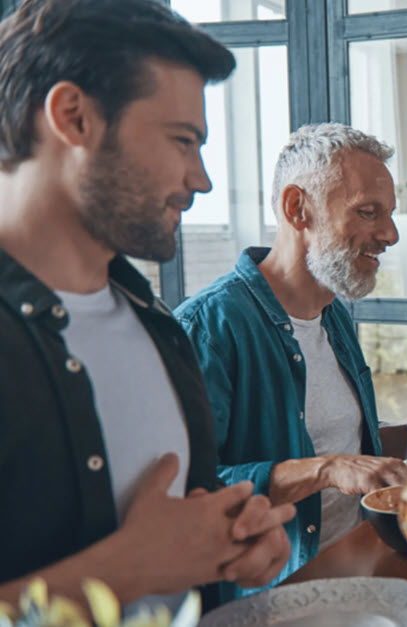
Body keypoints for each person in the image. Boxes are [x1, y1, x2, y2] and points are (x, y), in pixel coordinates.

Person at [0, 0, 293, 613]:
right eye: (183, 141)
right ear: (74, 117)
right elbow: (147, 556)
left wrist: (237, 537)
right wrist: (125, 570)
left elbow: (181, 524)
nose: (202, 178)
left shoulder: (157, 323)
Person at [174, 123, 407, 602]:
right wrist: (325, 470)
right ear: (297, 208)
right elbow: (192, 493)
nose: (389, 235)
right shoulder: (208, 328)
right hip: (281, 597)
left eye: (390, 215)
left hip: (362, 563)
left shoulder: (334, 315)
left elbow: (351, 446)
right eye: (368, 212)